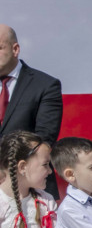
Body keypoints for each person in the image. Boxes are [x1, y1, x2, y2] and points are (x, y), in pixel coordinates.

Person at [0, 25, 63, 197]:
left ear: (15, 49)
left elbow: (43, 139)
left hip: (28, 187)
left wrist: (5, 168)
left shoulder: (45, 85)